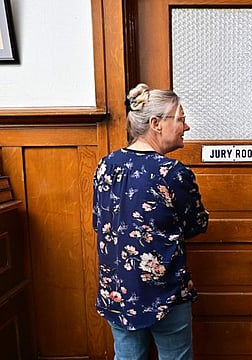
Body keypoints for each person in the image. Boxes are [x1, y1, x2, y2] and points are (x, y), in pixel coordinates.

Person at [92, 83, 209, 360]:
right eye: (180, 119)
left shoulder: (106, 165)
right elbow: (196, 225)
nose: (186, 126)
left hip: (118, 290)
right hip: (165, 293)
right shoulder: (173, 173)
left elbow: (100, 223)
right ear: (156, 123)